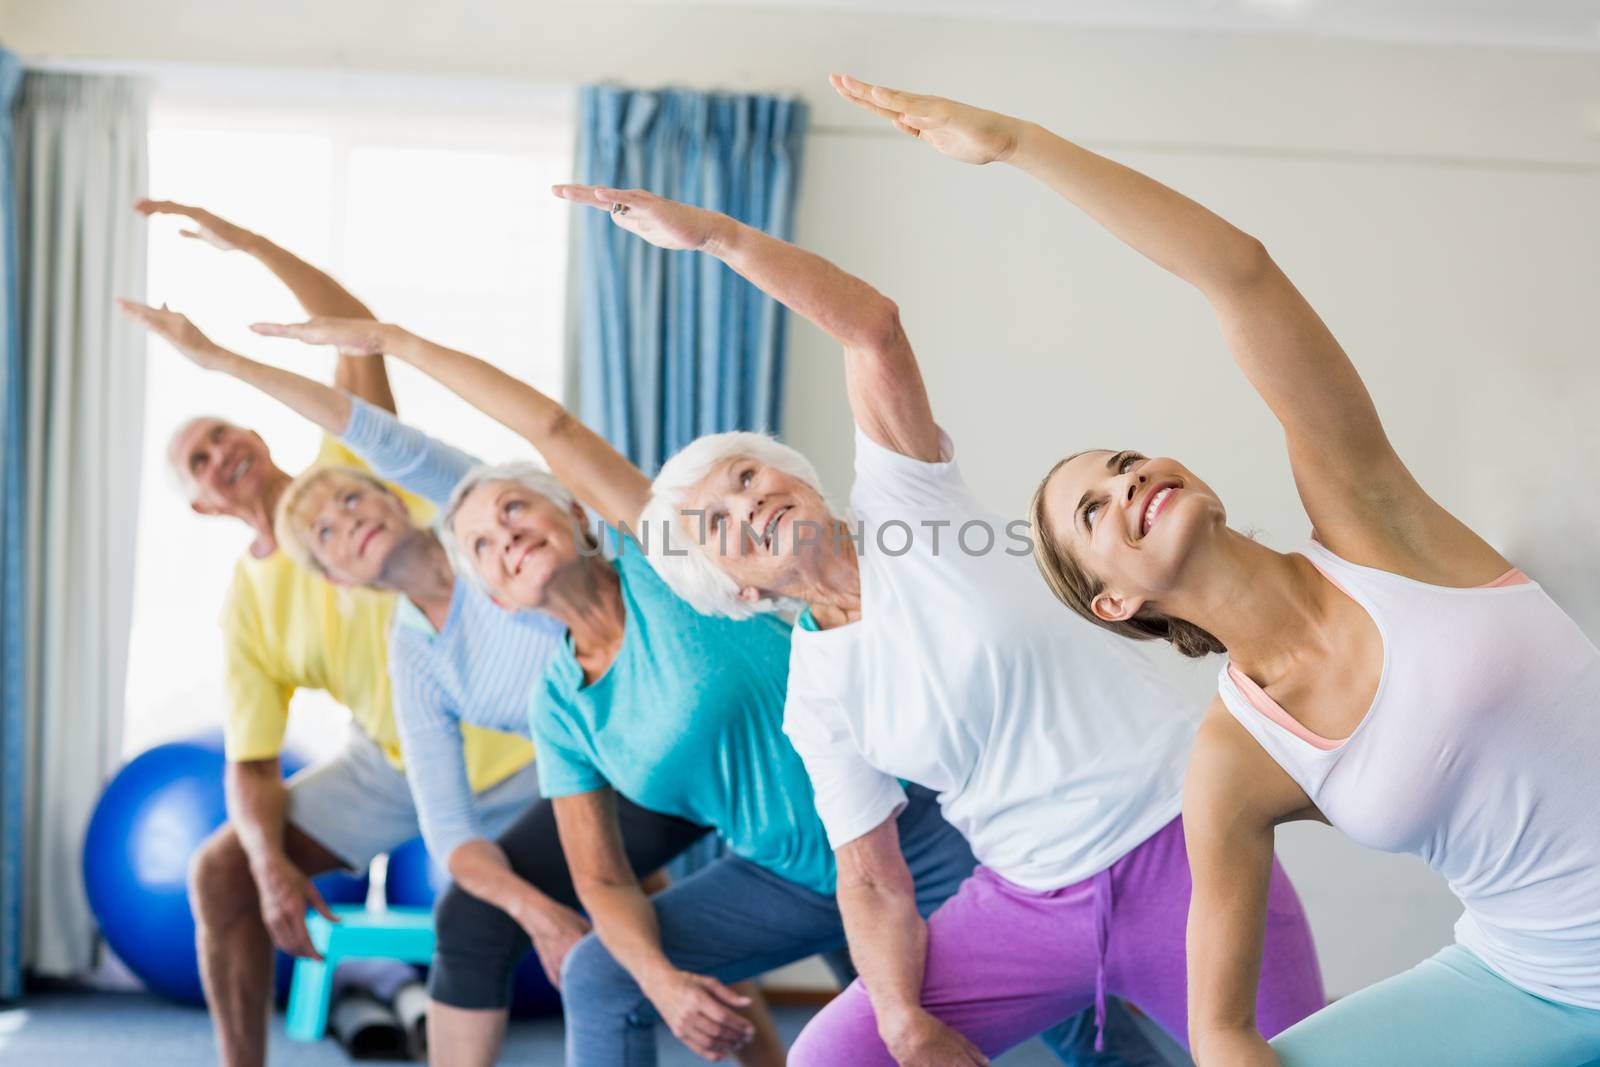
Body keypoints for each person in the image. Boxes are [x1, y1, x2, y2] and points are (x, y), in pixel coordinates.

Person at [831, 71, 1600, 1067]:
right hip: (1525, 979)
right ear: (1115, 599)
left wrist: (1017, 143)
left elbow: (1237, 272)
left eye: (1123, 463)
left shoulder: (1374, 522)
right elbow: (1221, 1030)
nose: (1128, 482)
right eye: (1094, 510)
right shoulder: (1232, 758)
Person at [542, 140, 1326, 1061]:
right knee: (838, 1052)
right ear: (732, 588)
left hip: (1185, 844)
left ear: (796, 475)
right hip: (1034, 897)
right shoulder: (818, 692)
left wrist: (714, 236)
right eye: (717, 522)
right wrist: (907, 1023)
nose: (746, 503)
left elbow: (870, 326)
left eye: (748, 475)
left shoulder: (910, 505)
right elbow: (871, 883)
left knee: (1314, 1055)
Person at [249, 314, 1150, 1066]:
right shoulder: (562, 707)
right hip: (785, 871)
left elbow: (553, 431)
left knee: (1065, 1013)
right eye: (481, 546)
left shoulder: (668, 563)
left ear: (570, 514)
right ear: (492, 595)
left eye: (516, 509)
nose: (505, 538)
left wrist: (398, 345)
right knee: (607, 969)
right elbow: (601, 879)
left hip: (908, 833)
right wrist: (663, 979)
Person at [122, 295, 787, 1067]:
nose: (345, 519)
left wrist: (226, 359)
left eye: (353, 497)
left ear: (394, 496)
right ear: (335, 576)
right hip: (598, 760)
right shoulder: (416, 650)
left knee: (727, 904)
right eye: (326, 534)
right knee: (513, 920)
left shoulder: (481, 527)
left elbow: (376, 428)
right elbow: (443, 832)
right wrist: (540, 913)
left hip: (676, 728)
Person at [124, 202, 540, 1067]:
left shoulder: (348, 465)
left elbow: (356, 335)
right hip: (397, 761)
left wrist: (248, 245)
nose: (218, 454)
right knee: (221, 872)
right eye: (197, 461)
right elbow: (250, 762)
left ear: (257, 430)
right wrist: (269, 862)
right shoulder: (247, 603)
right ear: (203, 502)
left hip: (518, 738)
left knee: (641, 895)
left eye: (220, 433)